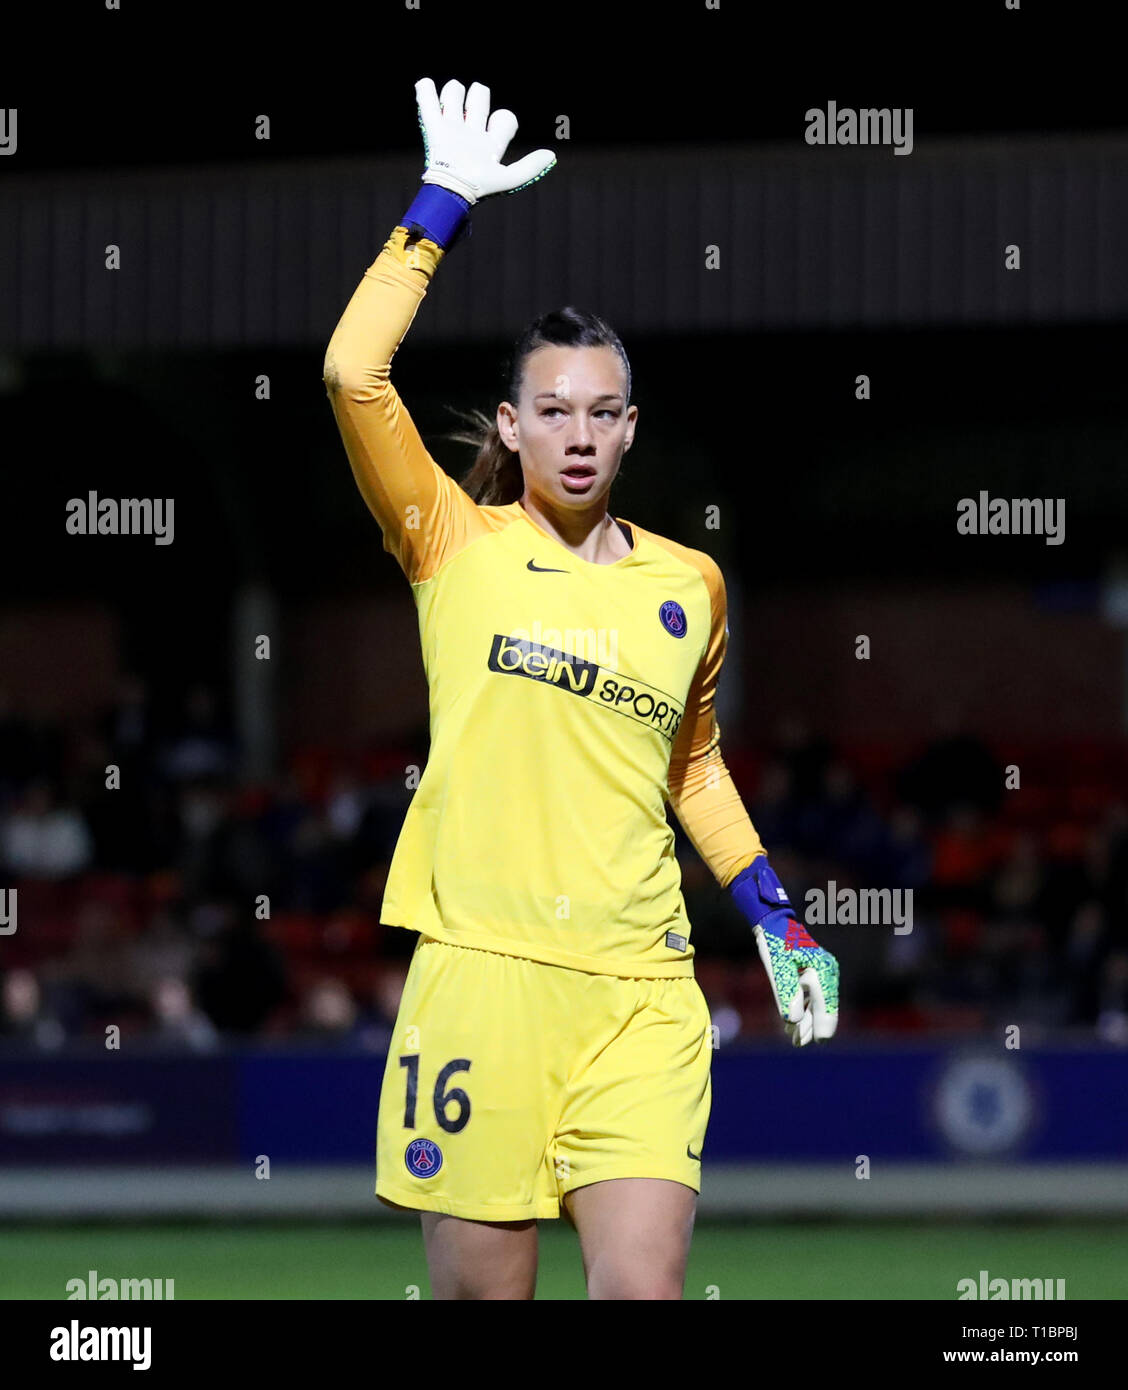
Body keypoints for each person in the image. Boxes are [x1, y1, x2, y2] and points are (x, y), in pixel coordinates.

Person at [323, 78, 840, 1300]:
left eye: (601, 413)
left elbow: (693, 766)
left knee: (643, 1292)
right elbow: (353, 375)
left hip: (644, 988)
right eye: (550, 409)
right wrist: (439, 204)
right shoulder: (450, 540)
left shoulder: (691, 584)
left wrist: (777, 916)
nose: (576, 433)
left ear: (628, 431)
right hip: (482, 978)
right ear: (511, 424)